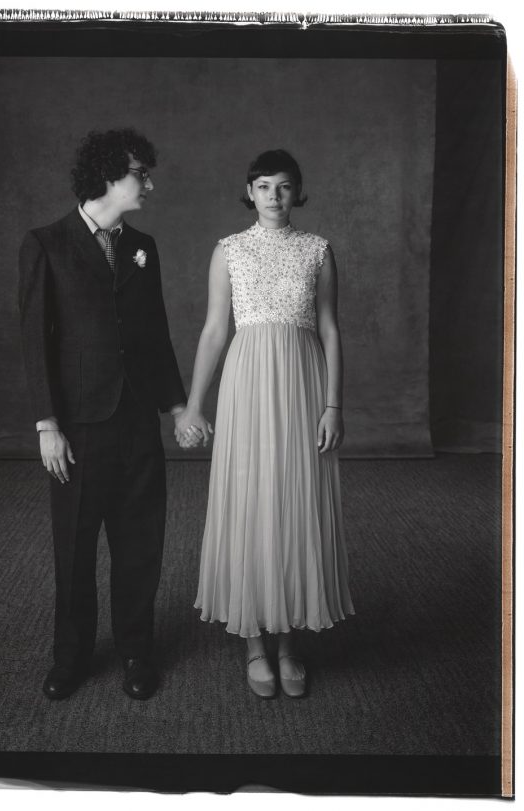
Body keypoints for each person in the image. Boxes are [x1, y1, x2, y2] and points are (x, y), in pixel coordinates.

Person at [175, 149, 354, 698]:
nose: (273, 196)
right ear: (248, 192)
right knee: (252, 499)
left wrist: (333, 405)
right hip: (248, 383)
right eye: (262, 186)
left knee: (295, 500)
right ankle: (254, 642)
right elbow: (213, 332)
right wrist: (194, 404)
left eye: (283, 186)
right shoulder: (228, 251)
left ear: (297, 192)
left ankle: (289, 644)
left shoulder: (317, 251)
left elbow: (328, 330)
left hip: (302, 386)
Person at [18, 128, 186, 701]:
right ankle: (71, 657)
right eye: (142, 173)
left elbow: (155, 335)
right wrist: (47, 424)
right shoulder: (46, 243)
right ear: (109, 176)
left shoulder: (145, 246)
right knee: (75, 547)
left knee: (140, 543)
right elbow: (34, 342)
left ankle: (137, 650)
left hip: (139, 421)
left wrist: (178, 404)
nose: (150, 183)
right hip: (78, 426)